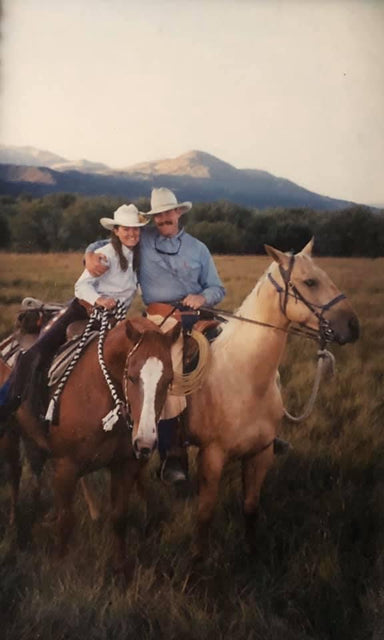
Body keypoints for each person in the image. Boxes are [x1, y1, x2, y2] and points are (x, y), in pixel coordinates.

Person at [85, 187, 226, 483]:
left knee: (237, 354)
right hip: (161, 319)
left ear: (179, 213)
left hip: (198, 315)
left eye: (168, 212)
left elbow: (217, 288)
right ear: (153, 219)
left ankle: (259, 424)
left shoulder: (199, 248)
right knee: (168, 375)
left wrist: (203, 298)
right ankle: (173, 457)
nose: (163, 218)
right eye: (157, 215)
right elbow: (110, 241)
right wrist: (89, 255)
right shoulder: (143, 240)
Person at [0, 203, 148, 427]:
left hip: (112, 320)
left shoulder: (139, 255)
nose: (131, 233)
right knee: (37, 351)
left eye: (135, 228)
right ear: (116, 231)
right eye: (126, 229)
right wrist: (98, 300)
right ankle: (7, 407)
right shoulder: (106, 255)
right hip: (82, 310)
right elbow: (81, 286)